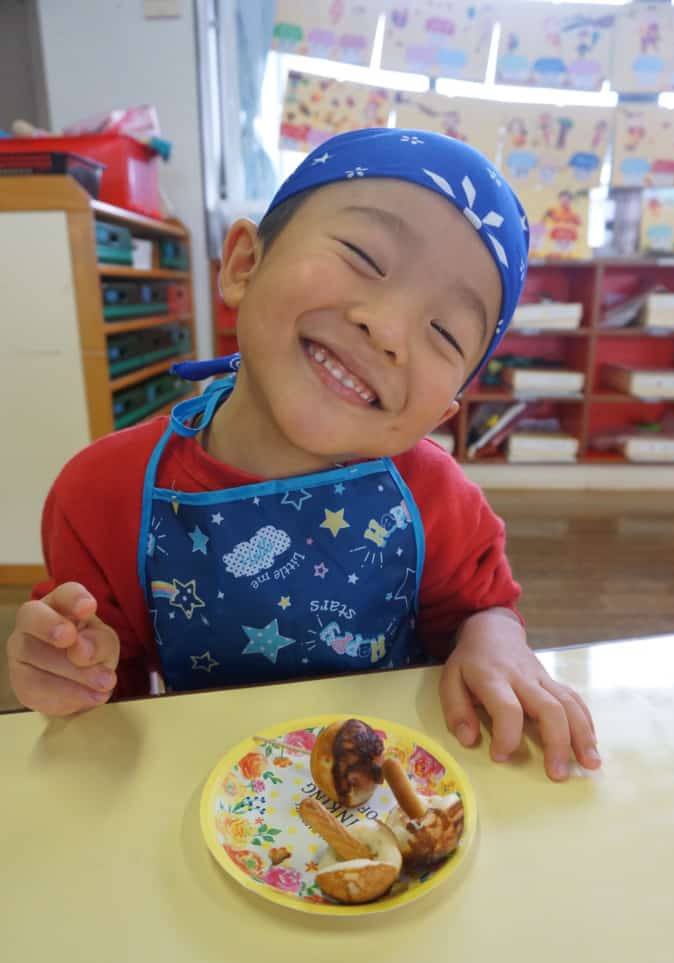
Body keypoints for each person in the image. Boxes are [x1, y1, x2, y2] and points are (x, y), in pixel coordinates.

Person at [7, 128, 600, 782]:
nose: (388, 328)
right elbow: (100, 684)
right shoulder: (102, 493)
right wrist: (67, 669)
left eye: (443, 331)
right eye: (363, 256)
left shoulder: (438, 499)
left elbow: (478, 611)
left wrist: (495, 640)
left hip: (385, 791)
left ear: (440, 413)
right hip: (204, 797)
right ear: (243, 264)